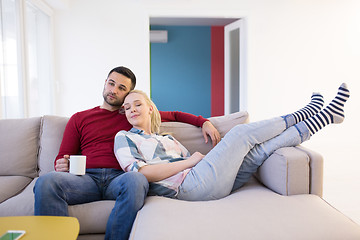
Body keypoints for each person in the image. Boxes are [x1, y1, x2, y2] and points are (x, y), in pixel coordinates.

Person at [33, 66, 221, 240]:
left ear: (127, 95)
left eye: (122, 88)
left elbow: (175, 115)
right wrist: (61, 163)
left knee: (137, 179)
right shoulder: (79, 118)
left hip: (120, 178)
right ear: (105, 83)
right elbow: (62, 156)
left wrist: (203, 122)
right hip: (86, 179)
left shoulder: (133, 114)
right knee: (46, 181)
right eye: (111, 83)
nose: (114, 90)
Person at [114, 83, 349, 201]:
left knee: (258, 153)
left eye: (137, 104)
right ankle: (307, 111)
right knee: (238, 134)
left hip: (206, 179)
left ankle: (324, 118)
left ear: (151, 108)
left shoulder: (167, 138)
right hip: (186, 189)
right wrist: (190, 162)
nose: (131, 109)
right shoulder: (124, 137)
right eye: (126, 107)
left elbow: (178, 119)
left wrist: (202, 157)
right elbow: (141, 173)